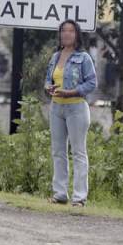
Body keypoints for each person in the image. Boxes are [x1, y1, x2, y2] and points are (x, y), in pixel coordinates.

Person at [44, 19, 97, 207]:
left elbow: (92, 83)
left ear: (77, 35)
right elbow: (47, 80)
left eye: (70, 31)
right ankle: (60, 194)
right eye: (63, 31)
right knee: (58, 151)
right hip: (56, 108)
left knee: (78, 152)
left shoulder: (84, 58)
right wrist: (49, 88)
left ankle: (79, 197)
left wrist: (71, 92)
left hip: (77, 108)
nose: (66, 34)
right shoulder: (55, 56)